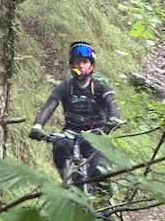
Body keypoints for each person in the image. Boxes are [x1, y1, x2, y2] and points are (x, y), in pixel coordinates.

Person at [28, 41, 120, 185]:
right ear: (72, 65)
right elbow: (49, 106)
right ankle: (67, 182)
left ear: (91, 65)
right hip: (70, 134)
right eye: (77, 62)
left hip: (96, 135)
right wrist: (37, 127)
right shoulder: (65, 87)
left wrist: (112, 121)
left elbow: (112, 105)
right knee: (59, 147)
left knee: (100, 172)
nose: (81, 66)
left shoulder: (101, 86)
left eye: (85, 62)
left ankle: (104, 200)